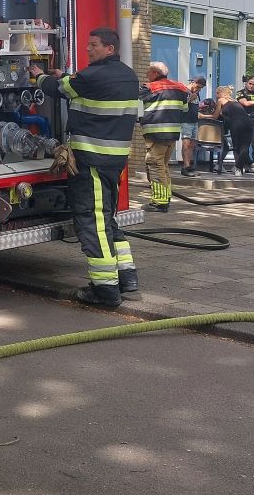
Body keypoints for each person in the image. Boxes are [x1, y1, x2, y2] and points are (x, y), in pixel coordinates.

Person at [29, 27, 141, 309]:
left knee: (91, 221)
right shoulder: (128, 75)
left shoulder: (92, 76)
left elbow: (58, 89)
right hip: (115, 158)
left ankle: (105, 291)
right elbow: (79, 86)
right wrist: (66, 78)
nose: (88, 49)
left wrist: (37, 75)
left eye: (94, 45)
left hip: (91, 160)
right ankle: (127, 279)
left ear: (109, 49)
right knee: (107, 218)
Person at [140, 61, 190, 211]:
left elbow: (135, 106)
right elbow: (185, 110)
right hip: (172, 134)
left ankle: (159, 202)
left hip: (156, 134)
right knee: (163, 166)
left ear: (155, 73)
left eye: (148, 73)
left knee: (155, 165)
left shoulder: (150, 88)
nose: (146, 76)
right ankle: (165, 196)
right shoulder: (181, 88)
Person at [219, 85, 254, 175]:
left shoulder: (221, 100)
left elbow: (216, 115)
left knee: (237, 147)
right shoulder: (236, 102)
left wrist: (202, 116)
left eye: (217, 93)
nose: (216, 95)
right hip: (248, 123)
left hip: (236, 124)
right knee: (244, 147)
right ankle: (241, 168)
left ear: (223, 94)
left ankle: (244, 167)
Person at [179, 76, 206, 176]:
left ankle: (189, 165)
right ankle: (185, 166)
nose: (198, 89)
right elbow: (180, 106)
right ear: (193, 82)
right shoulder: (184, 91)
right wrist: (190, 99)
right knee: (186, 143)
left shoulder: (197, 94)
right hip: (186, 121)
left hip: (195, 121)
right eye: (198, 87)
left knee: (192, 144)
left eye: (201, 88)